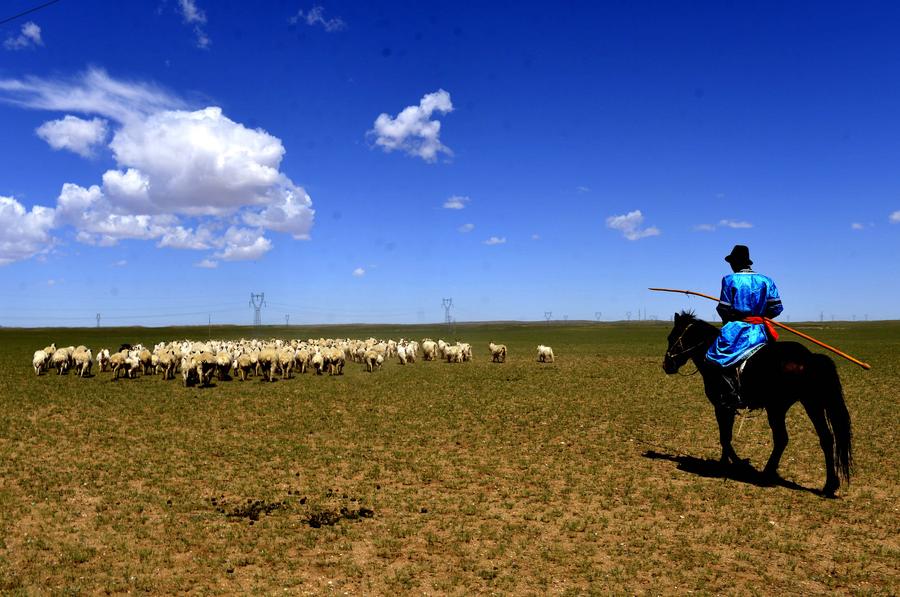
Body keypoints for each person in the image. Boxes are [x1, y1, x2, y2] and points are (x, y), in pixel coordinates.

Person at [705, 245, 783, 410]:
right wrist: (759, 316)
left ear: (735, 262)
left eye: (732, 262)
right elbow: (776, 308)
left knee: (712, 358)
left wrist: (732, 316)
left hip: (737, 331)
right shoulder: (766, 280)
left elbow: (723, 309)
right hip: (761, 331)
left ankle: (730, 393)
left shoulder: (729, 280)